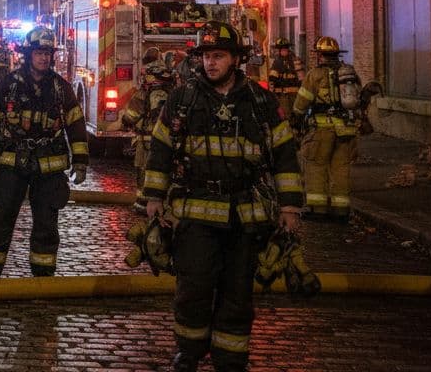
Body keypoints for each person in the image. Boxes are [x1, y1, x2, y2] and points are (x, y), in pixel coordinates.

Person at [142, 20, 303, 372]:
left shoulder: (261, 101)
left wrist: (290, 206)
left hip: (245, 216)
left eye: (218, 56)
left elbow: (285, 154)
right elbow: (161, 149)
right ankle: (189, 351)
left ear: (235, 59)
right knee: (194, 288)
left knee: (237, 292)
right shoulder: (182, 99)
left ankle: (231, 357)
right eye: (205, 56)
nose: (210, 63)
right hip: (195, 212)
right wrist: (153, 197)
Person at [0, 27, 89, 277]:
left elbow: (76, 125)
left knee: (47, 223)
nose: (44, 58)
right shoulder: (10, 85)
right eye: (39, 52)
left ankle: (43, 276)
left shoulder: (61, 88)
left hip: (49, 165)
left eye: (48, 53)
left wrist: (80, 161)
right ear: (29, 54)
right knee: (1, 217)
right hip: (11, 161)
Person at [291, 37, 360, 220]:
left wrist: (295, 118)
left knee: (316, 166)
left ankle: (317, 209)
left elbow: (301, 103)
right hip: (346, 130)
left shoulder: (315, 74)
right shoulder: (349, 74)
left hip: (322, 130)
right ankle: (341, 210)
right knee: (340, 169)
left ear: (320, 56)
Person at [120, 60, 176, 193]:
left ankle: (143, 202)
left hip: (146, 141)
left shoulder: (144, 93)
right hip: (167, 140)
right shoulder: (174, 92)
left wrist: (126, 122)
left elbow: (132, 115)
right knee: (163, 170)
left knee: (144, 170)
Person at [267, 37, 305, 119]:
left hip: (294, 96)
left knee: (294, 116)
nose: (283, 51)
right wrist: (272, 95)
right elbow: (272, 80)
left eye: (285, 49)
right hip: (282, 96)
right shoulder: (277, 62)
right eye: (282, 49)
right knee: (285, 117)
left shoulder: (295, 61)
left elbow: (302, 79)